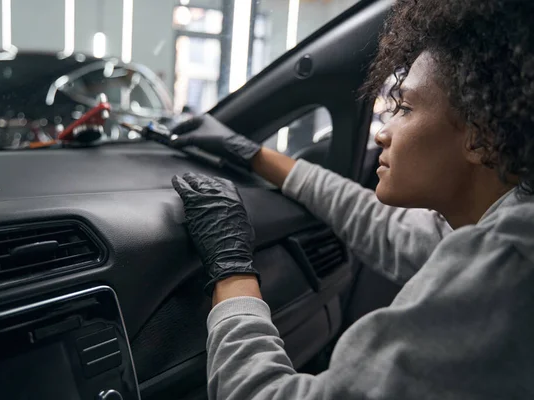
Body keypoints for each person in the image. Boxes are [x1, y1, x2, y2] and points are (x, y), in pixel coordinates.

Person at [171, 0, 534, 398]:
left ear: (482, 132)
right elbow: (380, 224)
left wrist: (231, 269)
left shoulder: (505, 265)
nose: (382, 132)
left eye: (406, 108)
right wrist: (248, 152)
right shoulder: (506, 221)